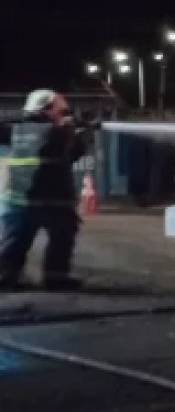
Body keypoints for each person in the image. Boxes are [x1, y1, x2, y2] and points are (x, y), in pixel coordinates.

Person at [0, 90, 89, 289]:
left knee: (14, 241)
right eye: (63, 110)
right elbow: (72, 154)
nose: (66, 115)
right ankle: (55, 278)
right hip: (52, 200)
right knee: (62, 238)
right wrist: (80, 136)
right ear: (46, 110)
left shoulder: (17, 129)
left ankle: (6, 277)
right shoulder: (57, 132)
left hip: (17, 198)